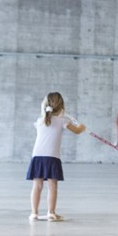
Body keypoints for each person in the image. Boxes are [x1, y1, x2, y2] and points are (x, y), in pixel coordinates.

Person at [27, 92, 85, 221]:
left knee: (37, 186)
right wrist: (82, 127)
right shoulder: (63, 120)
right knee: (52, 186)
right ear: (61, 105)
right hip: (52, 157)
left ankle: (34, 213)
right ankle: (51, 213)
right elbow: (77, 131)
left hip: (37, 156)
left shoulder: (40, 121)